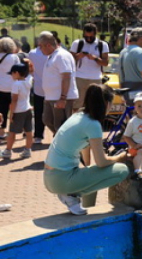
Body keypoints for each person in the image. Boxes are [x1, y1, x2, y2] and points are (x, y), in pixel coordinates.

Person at [43, 84, 130, 215]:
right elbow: (102, 162)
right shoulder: (93, 124)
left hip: (50, 177)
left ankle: (81, 203)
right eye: (111, 104)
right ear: (106, 104)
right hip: (61, 180)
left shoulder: (78, 115)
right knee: (122, 170)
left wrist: (90, 169)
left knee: (94, 172)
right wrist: (122, 156)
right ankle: (71, 195)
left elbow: (86, 150)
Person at [37, 31, 79, 134]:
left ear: (48, 45)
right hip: (51, 97)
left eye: (40, 46)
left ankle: (67, 147)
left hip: (61, 98)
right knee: (48, 120)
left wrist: (62, 98)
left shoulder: (62, 56)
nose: (39, 49)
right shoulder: (52, 55)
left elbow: (66, 76)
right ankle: (60, 142)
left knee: (61, 125)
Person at [70, 23, 109, 111]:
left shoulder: (102, 45)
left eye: (91, 37)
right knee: (77, 104)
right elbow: (69, 60)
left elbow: (105, 63)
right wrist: (78, 56)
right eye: (86, 36)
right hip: (79, 77)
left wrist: (95, 58)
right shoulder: (77, 43)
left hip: (95, 78)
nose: (88, 39)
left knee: (94, 104)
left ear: (95, 34)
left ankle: (92, 123)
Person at [2, 63, 34, 159]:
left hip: (18, 111)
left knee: (12, 132)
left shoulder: (16, 84)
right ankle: (27, 150)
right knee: (29, 132)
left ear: (16, 73)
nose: (11, 75)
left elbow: (14, 100)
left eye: (12, 73)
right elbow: (31, 73)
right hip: (28, 109)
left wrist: (11, 113)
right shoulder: (28, 81)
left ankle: (8, 151)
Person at [27, 40, 48, 144]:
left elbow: (30, 68)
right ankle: (56, 134)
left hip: (39, 87)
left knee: (39, 112)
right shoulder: (55, 53)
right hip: (50, 88)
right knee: (53, 113)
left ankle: (38, 135)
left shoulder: (32, 53)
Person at [0, 36, 21, 141]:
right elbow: (18, 71)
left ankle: (1, 131)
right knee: (14, 110)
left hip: (0, 87)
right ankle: (13, 131)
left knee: (2, 110)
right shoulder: (14, 57)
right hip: (12, 87)